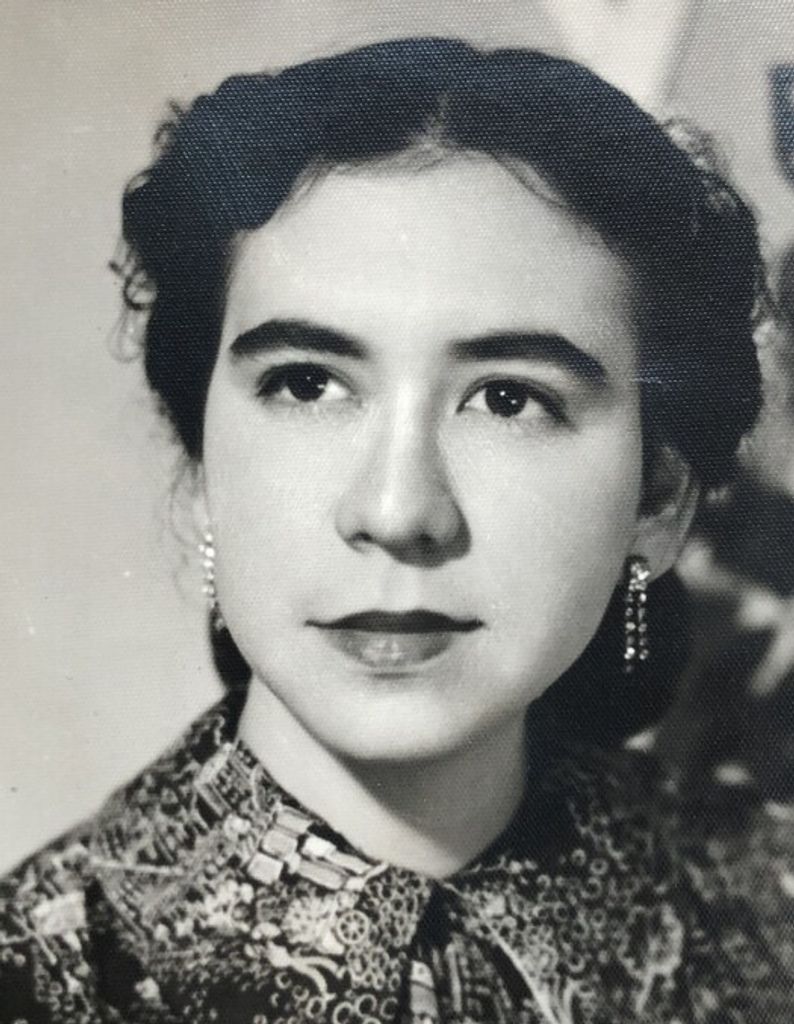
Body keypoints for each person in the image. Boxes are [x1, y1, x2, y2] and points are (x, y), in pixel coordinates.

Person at [1, 36, 792, 1024]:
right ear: (204, 471)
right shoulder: (39, 976)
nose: (396, 511)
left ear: (658, 503)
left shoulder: (768, 909)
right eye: (306, 384)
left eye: (508, 399)